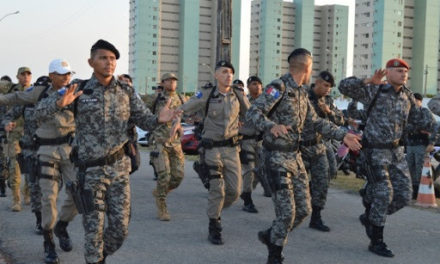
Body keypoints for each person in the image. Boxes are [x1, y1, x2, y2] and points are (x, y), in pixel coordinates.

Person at [44, 39, 178, 264]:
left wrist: (159, 120)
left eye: (113, 59)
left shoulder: (125, 90)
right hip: (90, 173)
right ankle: (95, 258)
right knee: (93, 231)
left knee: (120, 229)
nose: (109, 62)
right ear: (91, 61)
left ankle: (99, 255)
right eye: (103, 58)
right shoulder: (79, 88)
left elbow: (145, 120)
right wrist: (57, 104)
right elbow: (39, 112)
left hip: (119, 172)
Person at [246, 48, 361, 264]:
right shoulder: (277, 87)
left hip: (295, 157)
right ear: (307, 68)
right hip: (276, 157)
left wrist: (343, 135)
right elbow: (253, 112)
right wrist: (272, 125)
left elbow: (315, 122)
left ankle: (272, 235)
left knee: (304, 210)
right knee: (287, 212)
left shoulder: (301, 92)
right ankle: (275, 254)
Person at [339, 58, 435, 258]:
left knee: (404, 195)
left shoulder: (407, 97)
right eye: (399, 71)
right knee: (384, 193)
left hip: (396, 153)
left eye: (405, 71)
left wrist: (434, 125)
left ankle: (371, 216)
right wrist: (368, 81)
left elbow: (421, 118)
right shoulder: (374, 90)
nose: (403, 74)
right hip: (374, 152)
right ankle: (377, 240)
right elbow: (344, 86)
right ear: (388, 73)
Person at [0, 60, 80, 264]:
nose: (66, 77)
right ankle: (49, 241)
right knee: (48, 197)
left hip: (70, 150)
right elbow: (16, 97)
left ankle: (62, 225)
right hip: (46, 150)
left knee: (78, 193)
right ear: (51, 74)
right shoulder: (40, 92)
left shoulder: (77, 90)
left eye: (68, 74)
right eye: (62, 74)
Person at [178, 60, 250, 245]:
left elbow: (252, 114)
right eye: (224, 72)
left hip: (232, 149)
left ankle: (215, 207)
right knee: (217, 188)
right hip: (212, 149)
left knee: (234, 192)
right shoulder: (207, 94)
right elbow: (186, 107)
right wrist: (174, 116)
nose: (228, 75)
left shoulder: (238, 94)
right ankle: (214, 225)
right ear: (216, 75)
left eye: (231, 73)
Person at [1, 75, 52, 235]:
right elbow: (8, 115)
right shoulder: (27, 103)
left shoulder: (58, 102)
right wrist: (5, 124)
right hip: (31, 150)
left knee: (51, 190)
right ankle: (40, 221)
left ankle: (53, 221)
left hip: (52, 151)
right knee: (35, 186)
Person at [301, 70, 345, 232]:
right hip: (301, 147)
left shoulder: (328, 100)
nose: (327, 89)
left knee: (322, 181)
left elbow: (340, 119)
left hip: (319, 146)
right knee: (295, 183)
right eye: (325, 85)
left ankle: (316, 217)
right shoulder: (303, 95)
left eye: (330, 87)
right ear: (317, 82)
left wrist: (329, 111)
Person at [146, 72, 185, 221]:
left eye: (174, 80)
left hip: (175, 142)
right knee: (164, 175)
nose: (172, 83)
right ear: (163, 83)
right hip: (159, 141)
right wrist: (157, 120)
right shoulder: (155, 99)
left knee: (178, 177)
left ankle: (160, 191)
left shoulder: (181, 98)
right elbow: (144, 116)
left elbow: (184, 114)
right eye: (169, 80)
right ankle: (162, 206)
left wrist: (179, 123)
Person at [2, 67, 32, 211]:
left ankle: (27, 194)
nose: (26, 77)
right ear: (17, 76)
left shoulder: (35, 92)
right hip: (14, 133)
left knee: (31, 167)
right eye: (23, 74)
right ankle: (16, 200)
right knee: (15, 167)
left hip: (30, 134)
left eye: (28, 74)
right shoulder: (12, 91)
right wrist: (6, 123)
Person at [239, 75, 264, 213]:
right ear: (248, 87)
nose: (257, 86)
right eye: (254, 84)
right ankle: (247, 199)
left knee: (260, 171)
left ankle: (246, 191)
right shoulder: (244, 103)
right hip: (247, 140)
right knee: (249, 169)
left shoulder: (267, 102)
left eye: (259, 84)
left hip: (261, 142)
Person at [406, 93, 435, 199]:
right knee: (410, 167)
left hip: (421, 144)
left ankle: (419, 191)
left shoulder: (425, 111)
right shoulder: (409, 113)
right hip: (410, 143)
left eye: (414, 100)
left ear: (420, 101)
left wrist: (416, 128)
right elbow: (405, 126)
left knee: (420, 168)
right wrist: (417, 128)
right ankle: (412, 189)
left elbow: (430, 125)